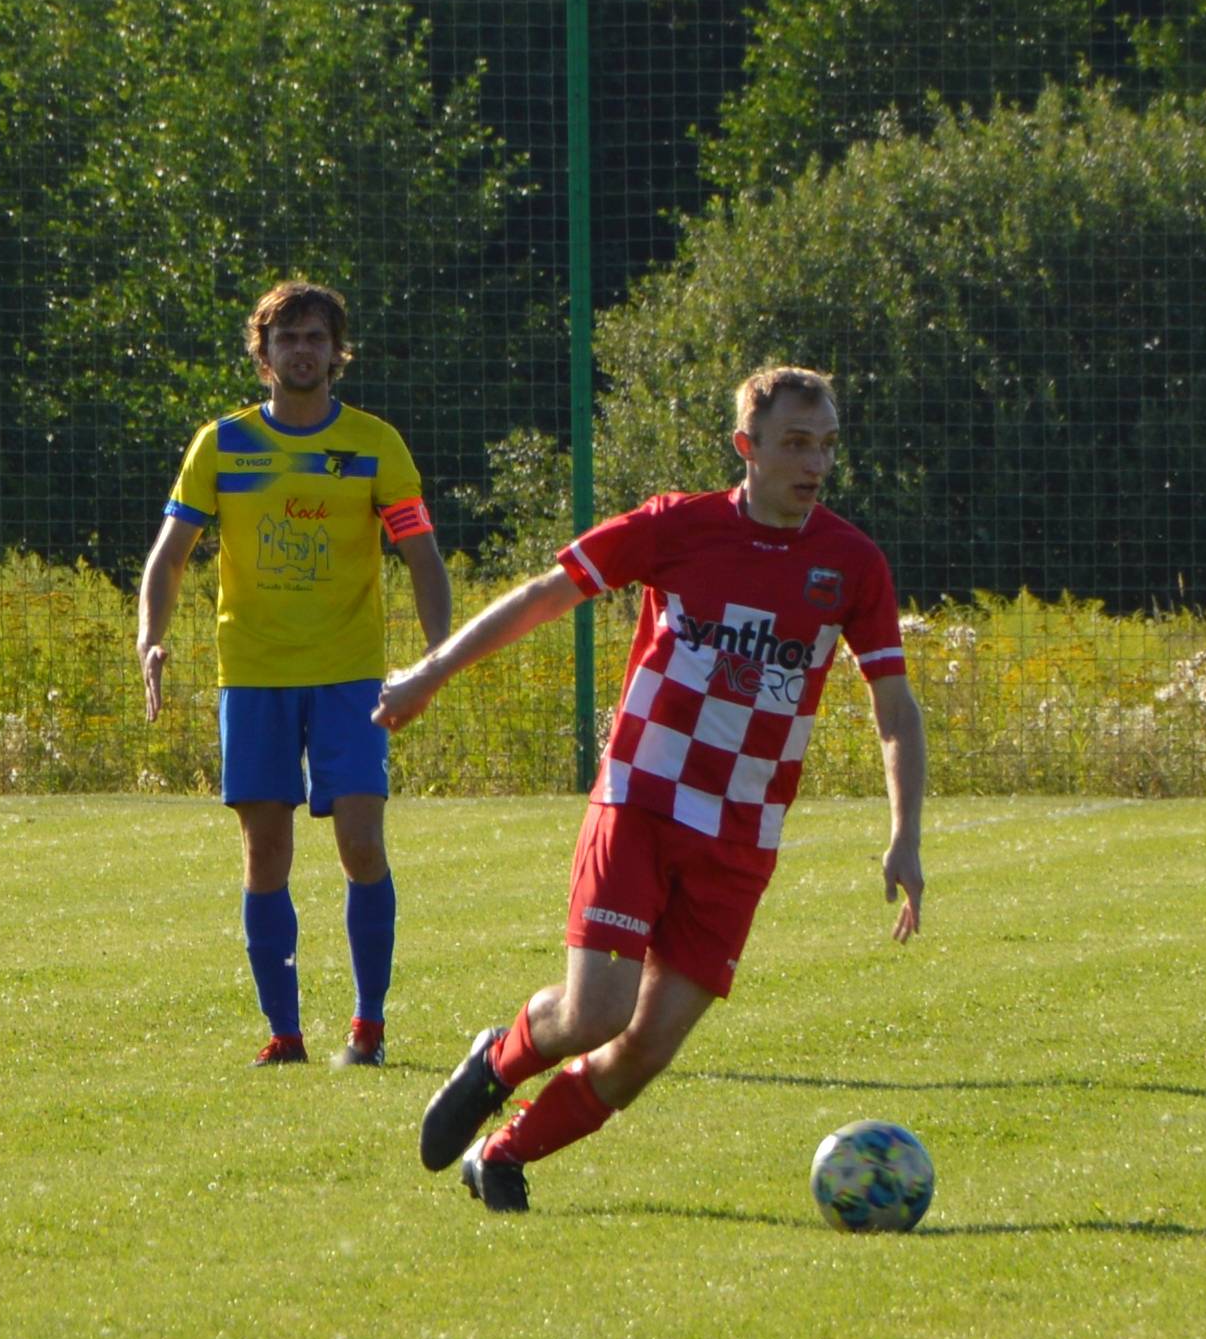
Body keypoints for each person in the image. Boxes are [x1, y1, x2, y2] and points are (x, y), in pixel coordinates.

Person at [375, 366, 924, 1213]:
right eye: (793, 444)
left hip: (742, 832)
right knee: (595, 1014)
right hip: (642, 798)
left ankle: (504, 1154)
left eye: (824, 445)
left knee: (644, 1051)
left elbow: (893, 702)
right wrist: (430, 673)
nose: (812, 463)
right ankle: (498, 1060)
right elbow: (543, 597)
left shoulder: (851, 563)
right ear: (747, 449)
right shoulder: (679, 526)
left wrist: (905, 832)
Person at [138, 280, 453, 1067]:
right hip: (253, 675)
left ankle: (369, 1028)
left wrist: (439, 654)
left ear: (336, 353)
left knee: (360, 842)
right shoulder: (222, 444)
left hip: (349, 678)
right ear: (264, 353)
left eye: (316, 337)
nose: (303, 351)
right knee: (265, 853)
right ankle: (284, 1037)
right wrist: (150, 637)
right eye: (288, 338)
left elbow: (421, 557)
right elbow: (170, 556)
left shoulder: (376, 445)